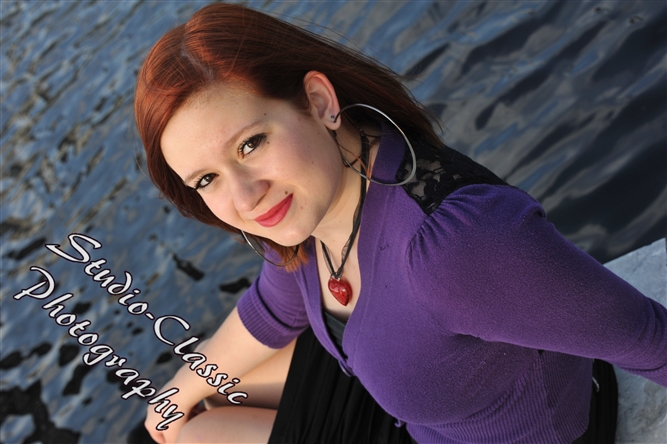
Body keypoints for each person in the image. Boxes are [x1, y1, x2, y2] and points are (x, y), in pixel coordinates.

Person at [134, 3, 667, 443]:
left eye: (251, 144)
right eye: (207, 180)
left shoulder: (455, 246)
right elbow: (276, 304)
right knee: (190, 410)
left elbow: (652, 341)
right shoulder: (306, 206)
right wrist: (173, 394)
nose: (245, 198)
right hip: (404, 398)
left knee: (198, 437)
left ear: (318, 102)